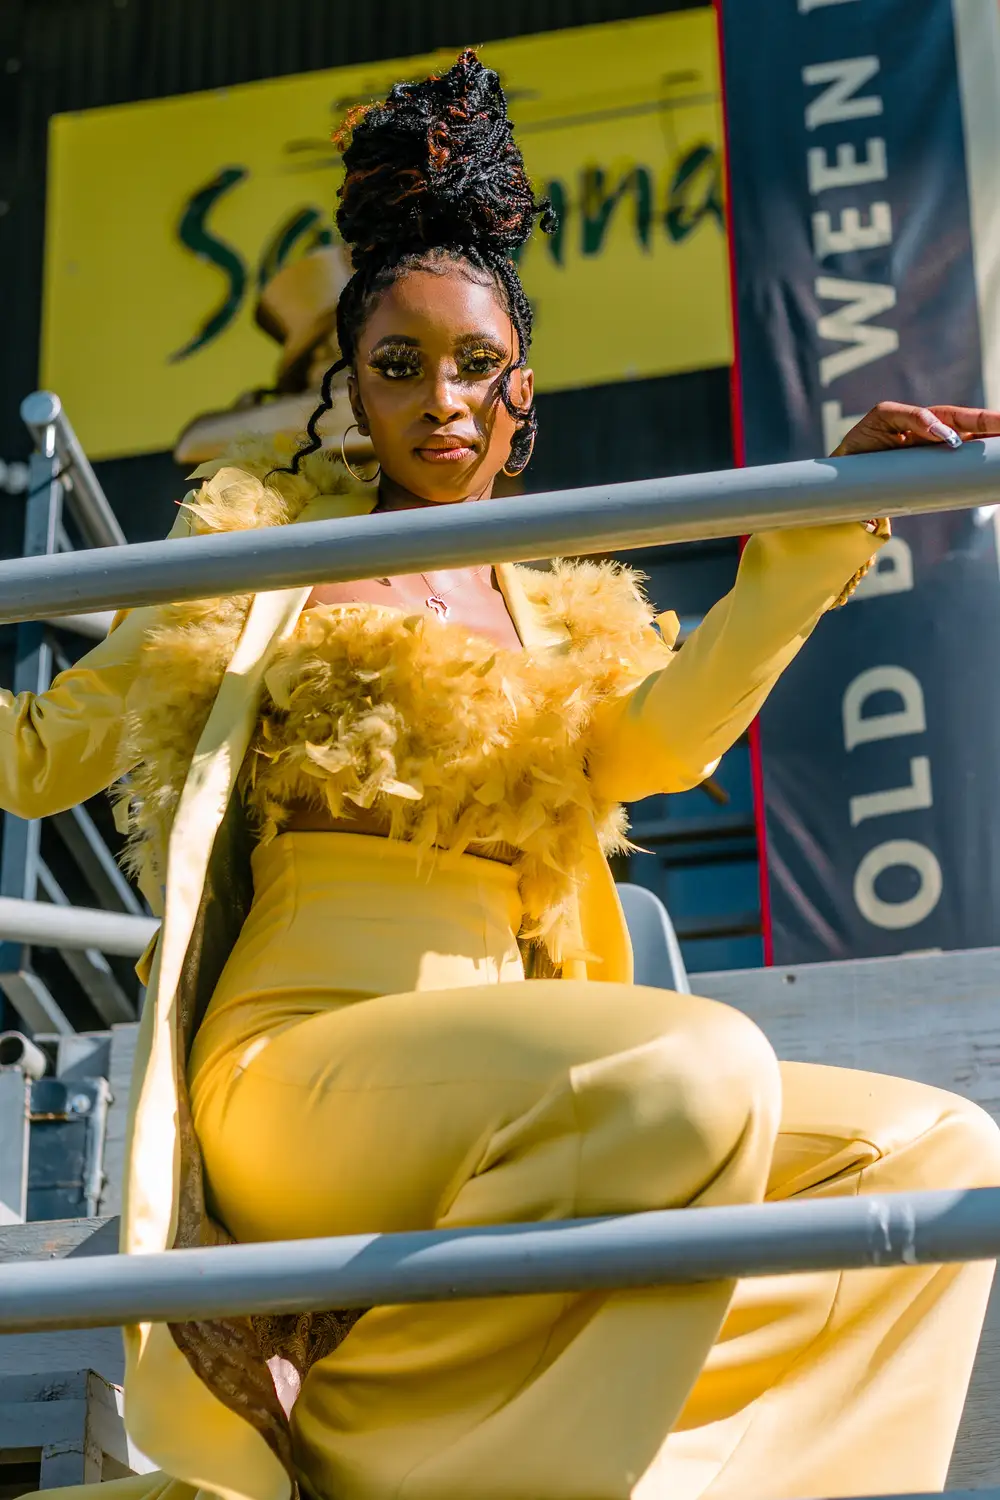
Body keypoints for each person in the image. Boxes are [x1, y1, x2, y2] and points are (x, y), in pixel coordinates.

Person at [13, 50, 1000, 1500]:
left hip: (536, 1063)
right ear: (347, 387)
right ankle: (376, 1453)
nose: (443, 403)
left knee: (934, 1156)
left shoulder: (558, 609)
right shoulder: (265, 561)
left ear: (520, 385)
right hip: (298, 1067)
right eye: (398, 367)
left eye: (475, 367)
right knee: (693, 1060)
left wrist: (817, 534)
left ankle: (683, 1480)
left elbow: (661, 745)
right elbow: (37, 760)